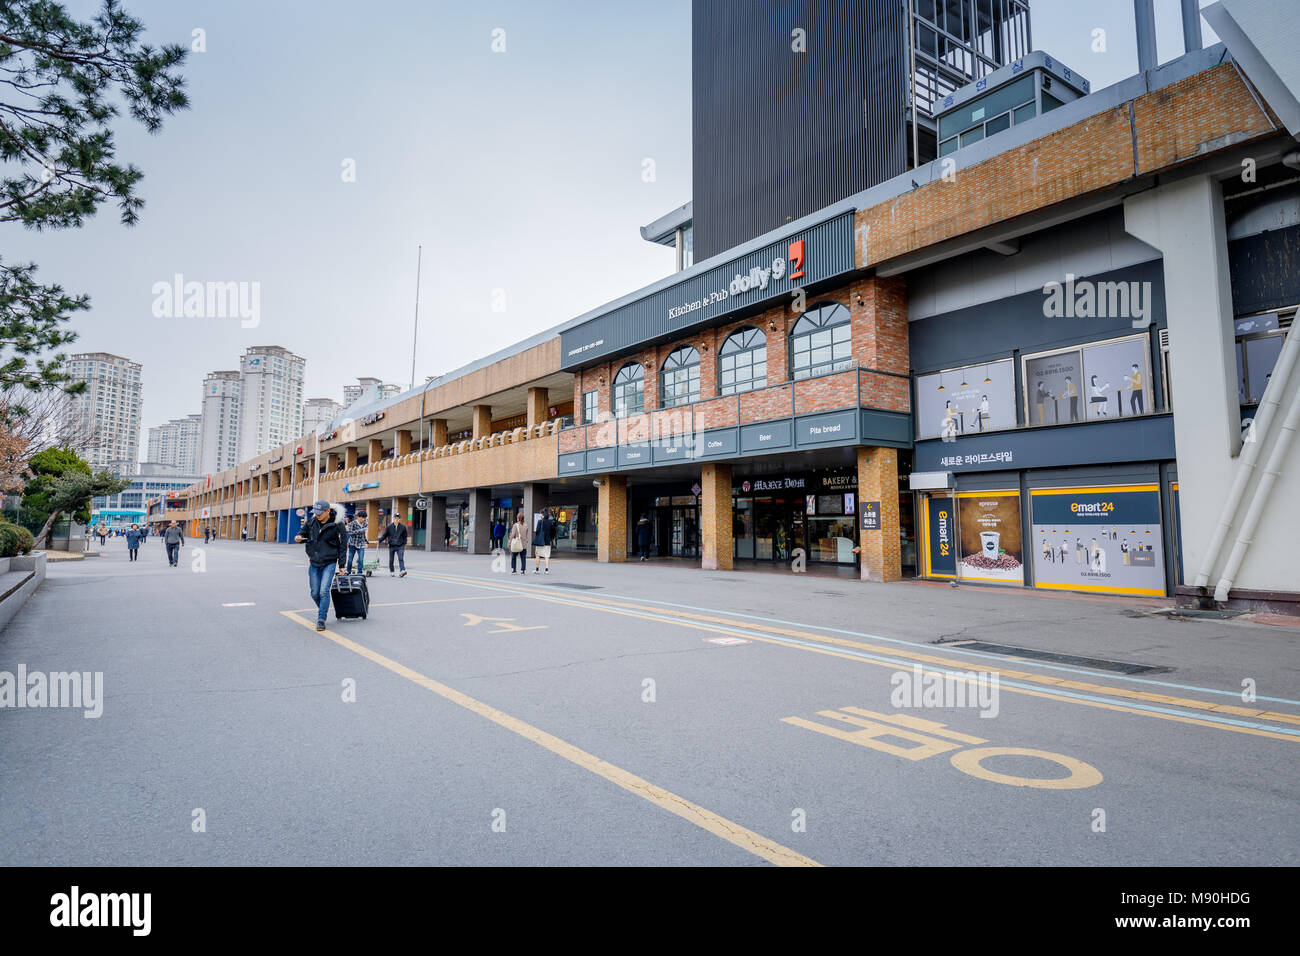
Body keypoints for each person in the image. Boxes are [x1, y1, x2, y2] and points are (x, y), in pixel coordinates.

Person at [294, 499, 347, 631]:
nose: (317, 515)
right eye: (315, 512)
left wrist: (342, 565)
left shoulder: (337, 524)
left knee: (324, 591)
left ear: (328, 511)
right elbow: (303, 533)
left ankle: (321, 618)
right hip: (314, 562)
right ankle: (323, 608)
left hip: (329, 562)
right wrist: (299, 537)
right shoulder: (311, 522)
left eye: (320, 512)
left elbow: (343, 546)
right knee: (314, 593)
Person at [532, 508, 557, 574]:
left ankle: (537, 570)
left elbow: (537, 531)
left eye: (541, 514)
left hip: (540, 541)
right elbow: (553, 532)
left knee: (538, 555)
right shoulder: (550, 522)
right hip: (547, 541)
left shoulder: (540, 521)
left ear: (542, 515)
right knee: (547, 556)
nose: (540, 515)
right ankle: (546, 570)